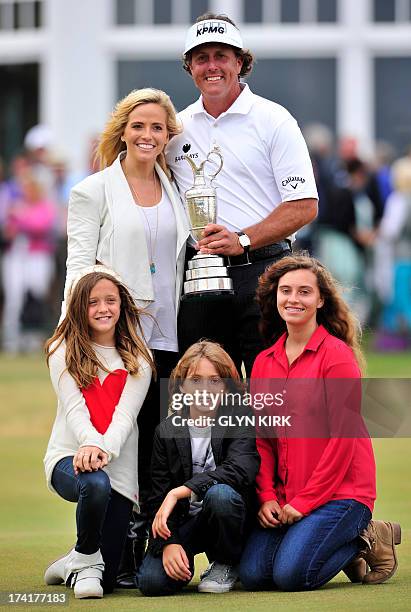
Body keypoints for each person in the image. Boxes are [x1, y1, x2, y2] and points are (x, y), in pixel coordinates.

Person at [63, 88, 190, 586]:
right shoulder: (92, 191)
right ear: (122, 130)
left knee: (161, 445)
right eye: (139, 126)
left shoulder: (178, 187)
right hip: (117, 339)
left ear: (167, 136)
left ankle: (152, 544)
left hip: (172, 334)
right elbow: (78, 268)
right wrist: (71, 342)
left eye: (158, 128)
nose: (148, 135)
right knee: (121, 444)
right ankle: (109, 553)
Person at [166, 13, 318, 376]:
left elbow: (304, 205)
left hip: (265, 273)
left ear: (240, 62)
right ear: (189, 67)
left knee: (277, 394)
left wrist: (243, 239)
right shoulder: (175, 127)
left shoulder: (273, 119)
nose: (212, 66)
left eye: (222, 55)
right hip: (199, 275)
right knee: (207, 395)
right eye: (202, 58)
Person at [238, 254, 401, 591]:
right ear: (275, 297)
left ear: (320, 299)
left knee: (291, 575)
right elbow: (263, 440)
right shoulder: (264, 363)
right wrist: (268, 496)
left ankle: (367, 535)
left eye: (304, 292)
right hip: (287, 496)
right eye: (286, 291)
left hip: (343, 493)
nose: (293, 299)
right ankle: (332, 543)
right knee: (255, 575)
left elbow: (343, 440)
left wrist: (305, 502)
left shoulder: (336, 357)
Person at [43, 267, 154, 598]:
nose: (104, 309)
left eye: (111, 300)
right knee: (94, 482)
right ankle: (87, 558)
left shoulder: (139, 359)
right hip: (68, 455)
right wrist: (89, 446)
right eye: (93, 302)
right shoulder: (61, 351)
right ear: (80, 307)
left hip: (118, 466)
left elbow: (124, 417)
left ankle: (75, 558)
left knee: (105, 583)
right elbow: (75, 409)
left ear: (122, 305)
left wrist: (102, 450)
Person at [138, 340, 260, 596]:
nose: (204, 389)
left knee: (220, 494)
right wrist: (168, 542)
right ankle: (184, 561)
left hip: (226, 517)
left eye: (215, 381)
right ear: (182, 385)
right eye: (196, 380)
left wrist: (181, 490)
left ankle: (226, 562)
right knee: (152, 583)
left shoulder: (240, 420)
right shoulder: (166, 431)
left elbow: (241, 470)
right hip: (185, 523)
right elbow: (156, 495)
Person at [1, 171, 57, 353]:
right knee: (14, 297)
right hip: (16, 256)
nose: (27, 191)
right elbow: (8, 230)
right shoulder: (17, 205)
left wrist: (21, 218)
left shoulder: (44, 206)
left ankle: (34, 336)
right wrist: (19, 218)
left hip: (38, 257)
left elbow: (41, 226)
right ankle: (12, 338)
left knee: (36, 295)